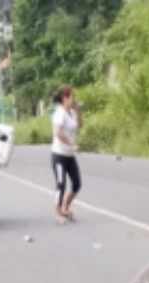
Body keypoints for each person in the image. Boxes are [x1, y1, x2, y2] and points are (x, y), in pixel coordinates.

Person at [50, 85, 82, 224]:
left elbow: (80, 125)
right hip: (59, 155)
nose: (74, 99)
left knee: (77, 184)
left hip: (70, 156)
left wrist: (79, 111)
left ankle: (66, 207)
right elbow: (57, 132)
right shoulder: (59, 113)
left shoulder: (72, 112)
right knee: (61, 183)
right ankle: (58, 211)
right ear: (65, 98)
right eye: (72, 96)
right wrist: (71, 144)